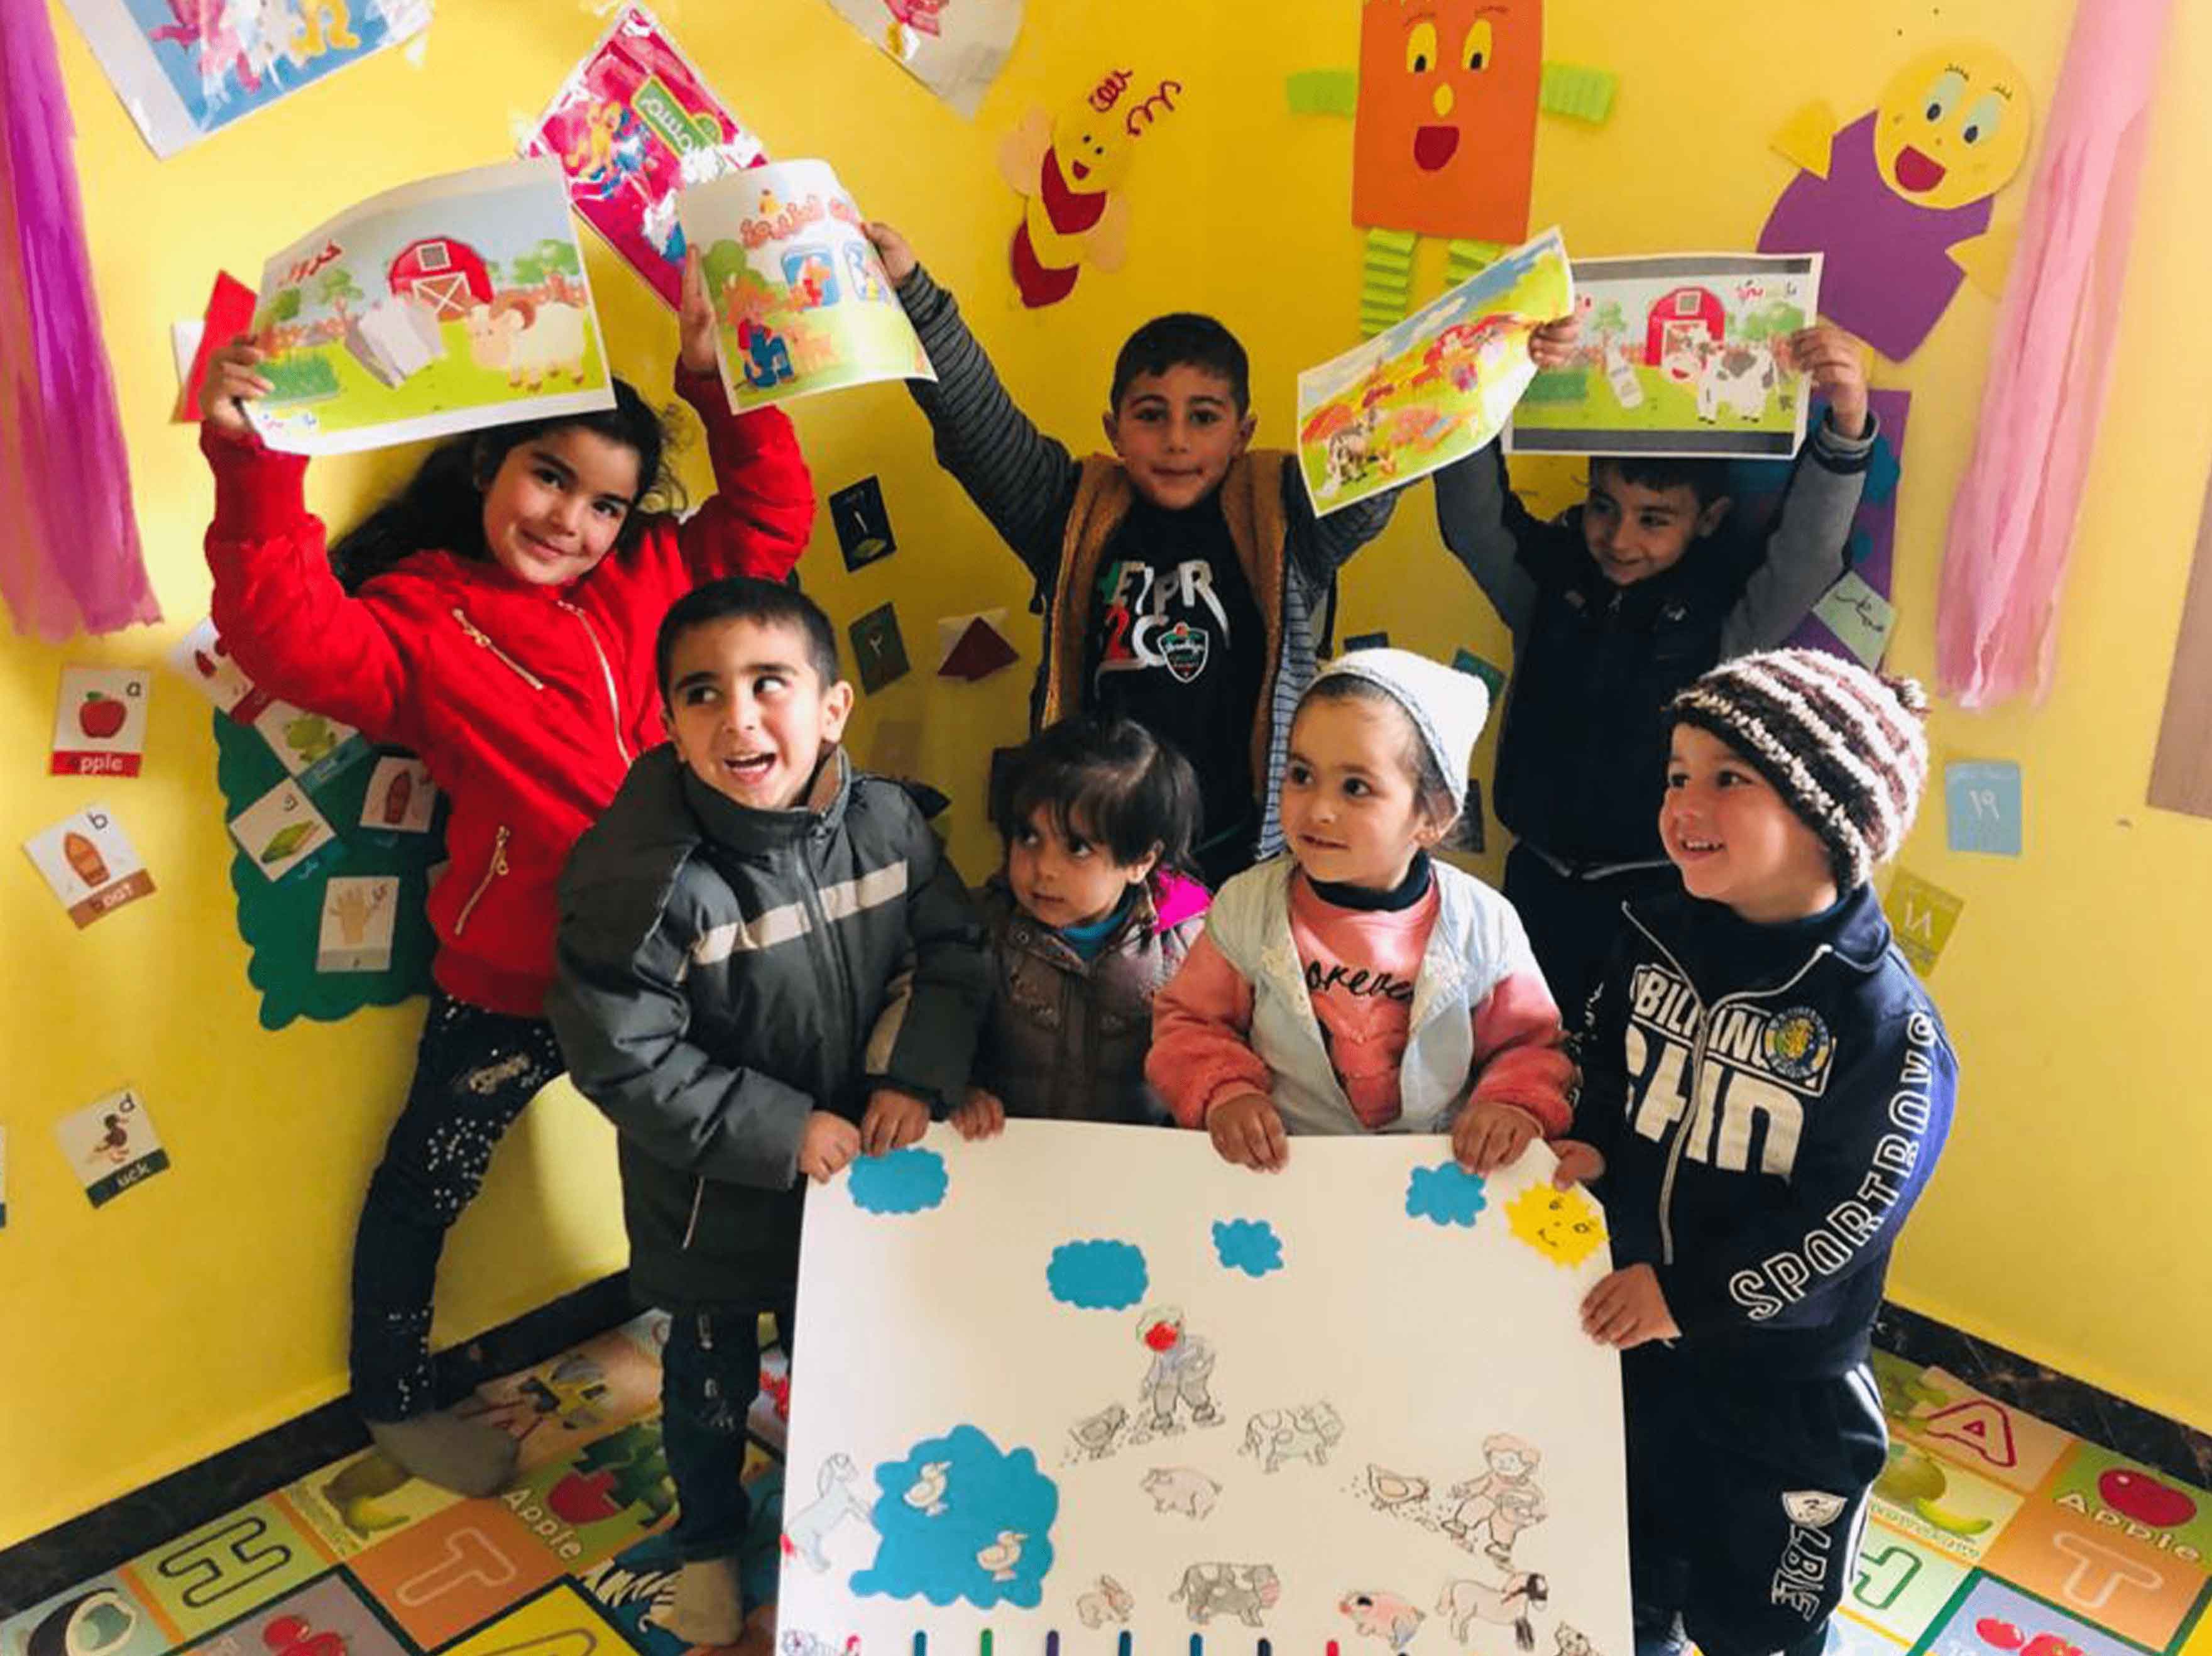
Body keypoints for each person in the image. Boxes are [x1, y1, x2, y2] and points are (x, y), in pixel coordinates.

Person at [198, 250, 814, 1494]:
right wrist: (257, 459)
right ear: (489, 465)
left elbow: (769, 520)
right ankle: (394, 1396)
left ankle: (799, 1352)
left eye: (606, 505)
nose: (572, 522)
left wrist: (718, 382)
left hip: (691, 965)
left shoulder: (656, 579)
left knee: (752, 1163)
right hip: (518, 977)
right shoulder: (425, 615)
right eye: (550, 477)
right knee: (429, 1181)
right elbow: (286, 633)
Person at [548, 576, 990, 1644]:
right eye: (703, 693)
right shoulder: (640, 875)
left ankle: (827, 1534)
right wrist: (780, 1127)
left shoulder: (890, 823)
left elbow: (949, 954)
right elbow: (622, 1054)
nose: (738, 717)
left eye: (769, 684)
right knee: (708, 1385)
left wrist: (910, 1078)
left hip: (857, 1185)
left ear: (832, 707)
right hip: (712, 1202)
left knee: (840, 1361)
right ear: (670, 722)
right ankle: (707, 1538)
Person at [1558, 647, 1957, 1656]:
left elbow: (1850, 1214)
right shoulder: (1649, 933)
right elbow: (1601, 1056)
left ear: (1828, 816)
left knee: (1762, 1621)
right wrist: (1589, 1139)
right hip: (1632, 1353)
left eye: (1729, 777)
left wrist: (1688, 1296)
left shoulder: (1884, 1024)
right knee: (1622, 1578)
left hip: (1783, 1394)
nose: (1684, 803)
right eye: (1677, 774)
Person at [866, 219, 1433, 886]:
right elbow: (978, 426)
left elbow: (1374, 475)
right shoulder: (1072, 511)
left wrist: (1488, 357)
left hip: (1239, 856)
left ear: (1242, 433)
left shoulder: (1279, 518)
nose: (1176, 440)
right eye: (1150, 414)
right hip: (1096, 859)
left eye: (1204, 417)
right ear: (1114, 429)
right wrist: (913, 293)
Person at [1435, 318, 1879, 1016]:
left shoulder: (1725, 614)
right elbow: (1473, 525)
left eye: (1654, 519)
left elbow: (1806, 556)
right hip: (1534, 881)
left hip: (1660, 898)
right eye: (1603, 507)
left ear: (1709, 519)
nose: (1619, 538)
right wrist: (1479, 380)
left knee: (1626, 1069)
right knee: (1522, 1057)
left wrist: (1846, 424)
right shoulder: (1550, 583)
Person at [1146, 649, 1574, 1170]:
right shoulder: (1247, 906)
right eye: (1301, 774)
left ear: (1434, 815)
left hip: (1433, 1174)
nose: (1319, 808)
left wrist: (1511, 1104)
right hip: (1282, 1168)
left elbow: (1530, 1045)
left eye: (1356, 787)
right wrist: (1226, 1090)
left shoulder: (1484, 925)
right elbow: (1190, 1022)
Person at [951, 716, 1209, 1136]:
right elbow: (946, 1025)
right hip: (1011, 1153)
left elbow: (1211, 1053)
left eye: (1077, 847)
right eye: (1028, 837)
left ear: (1141, 861)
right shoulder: (981, 925)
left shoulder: (1188, 945)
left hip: (1134, 1161)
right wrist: (958, 1087)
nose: (1044, 868)